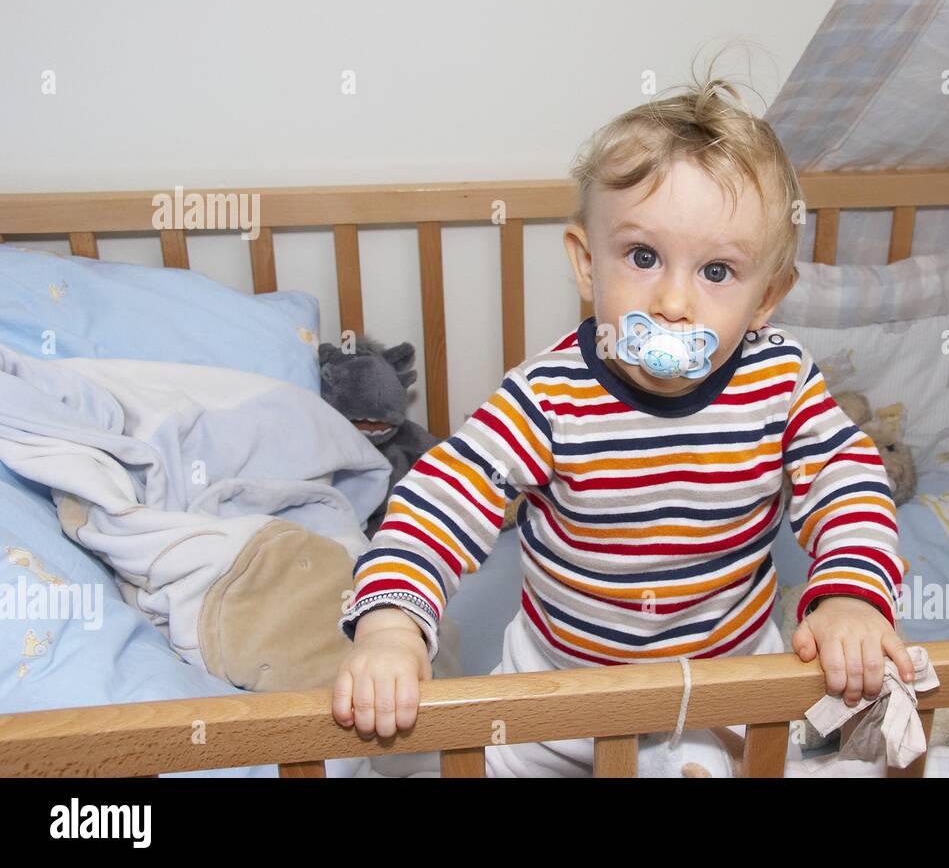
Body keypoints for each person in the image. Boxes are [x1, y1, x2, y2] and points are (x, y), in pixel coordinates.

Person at [331, 65, 913, 776]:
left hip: (727, 683)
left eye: (718, 272)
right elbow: (438, 501)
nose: (673, 299)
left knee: (818, 750)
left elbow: (848, 478)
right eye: (643, 256)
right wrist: (392, 625)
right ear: (586, 264)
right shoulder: (547, 399)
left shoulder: (779, 382)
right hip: (558, 693)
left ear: (768, 298)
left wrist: (854, 593)